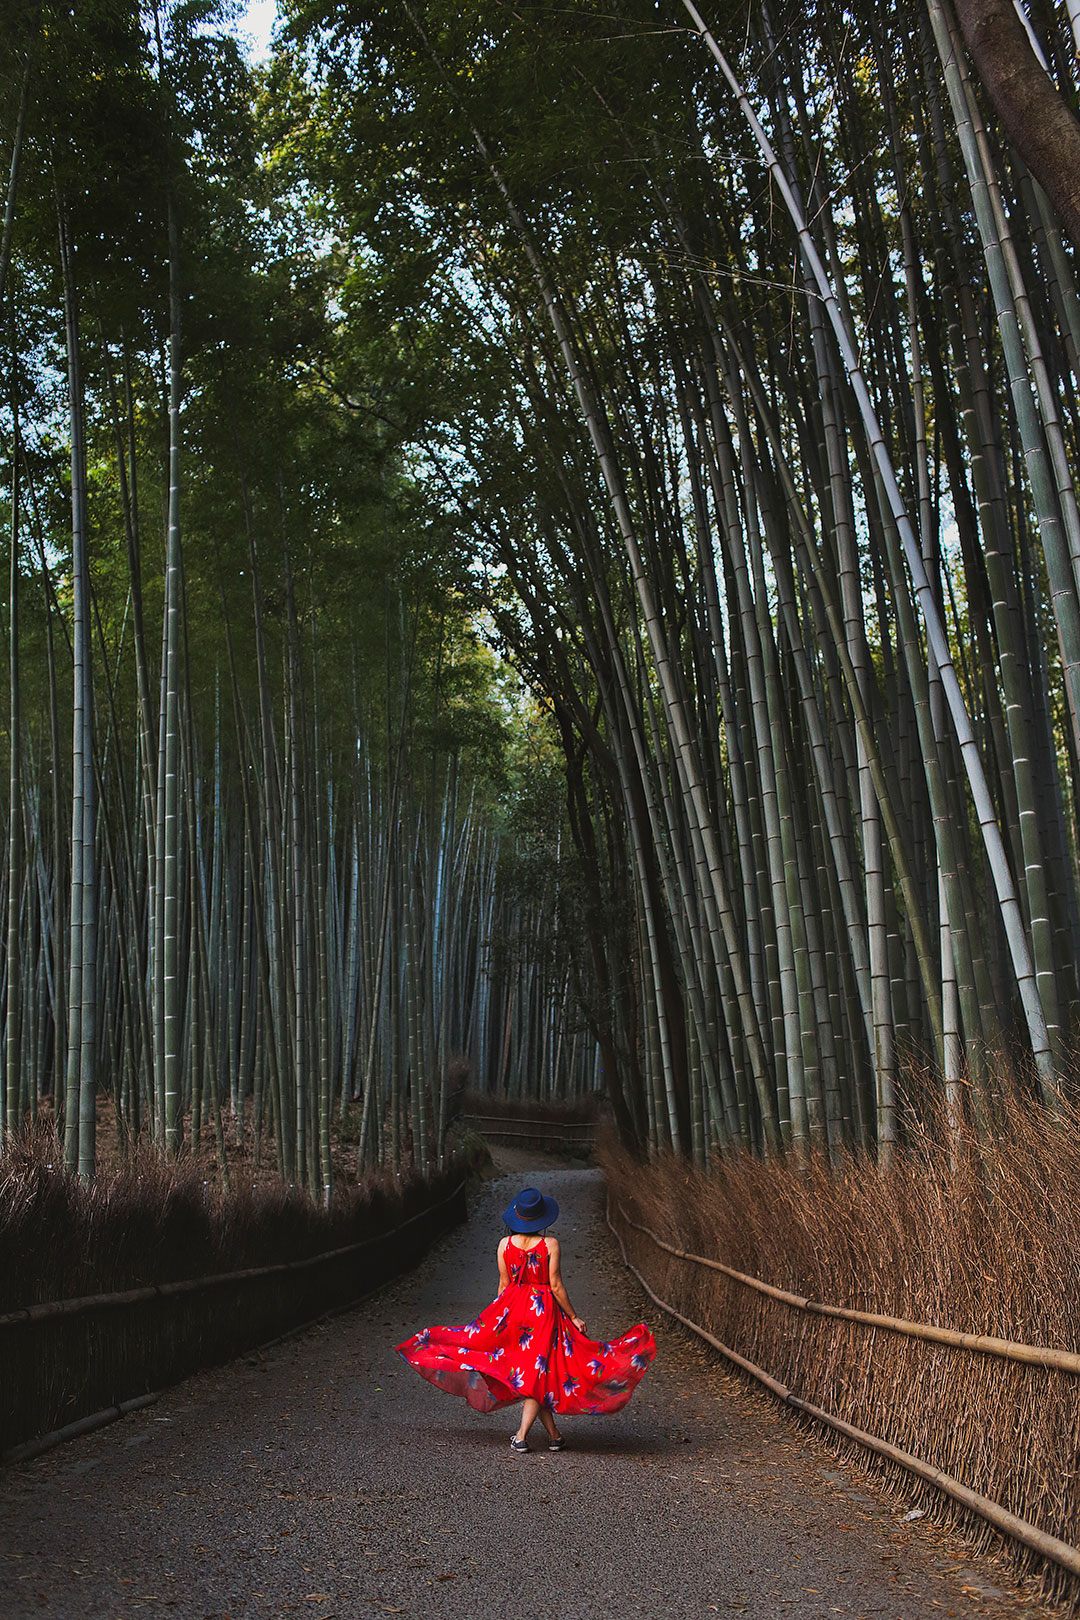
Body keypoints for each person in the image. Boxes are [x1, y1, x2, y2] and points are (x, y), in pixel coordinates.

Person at [396, 1185, 656, 1453]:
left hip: (513, 1311)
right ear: (542, 1218)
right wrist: (574, 1316)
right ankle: (522, 1436)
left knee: (535, 1374)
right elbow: (555, 1285)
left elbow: (503, 1286)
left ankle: (554, 1436)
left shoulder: (504, 1245)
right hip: (543, 1313)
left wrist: (499, 1321)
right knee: (537, 1374)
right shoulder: (549, 1244)